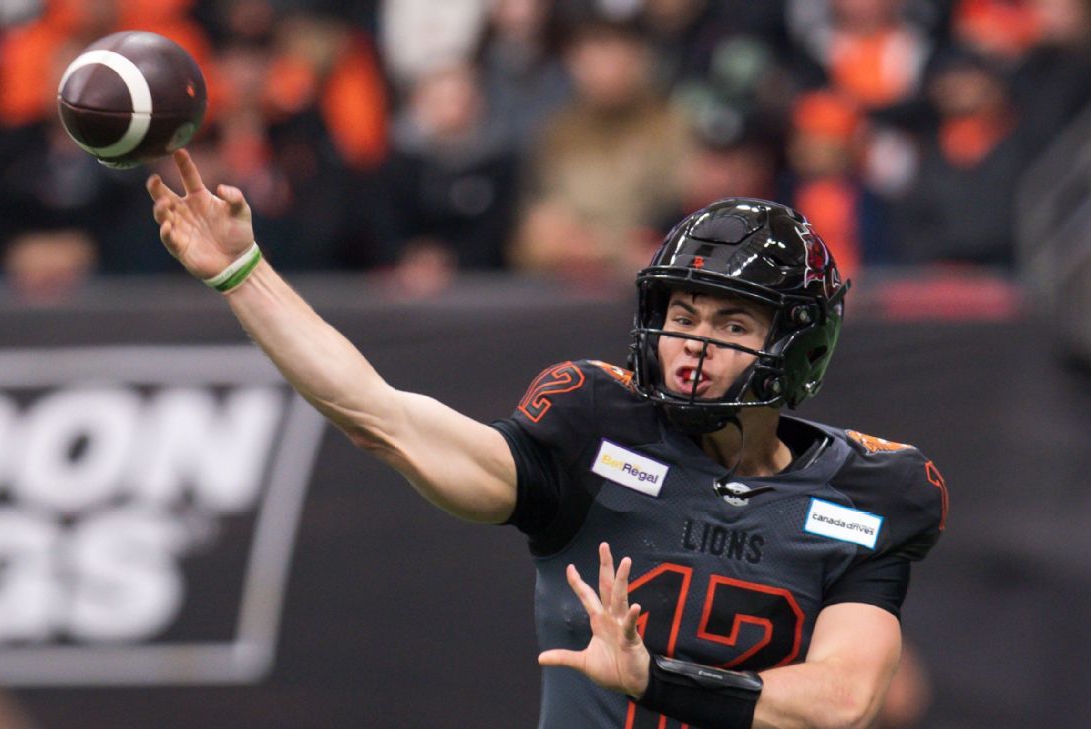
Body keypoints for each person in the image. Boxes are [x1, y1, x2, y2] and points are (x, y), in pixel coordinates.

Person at [147, 149, 948, 729]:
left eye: (732, 324)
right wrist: (242, 272)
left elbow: (842, 702)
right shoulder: (596, 428)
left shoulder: (869, 492)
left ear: (797, 345)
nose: (693, 345)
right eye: (681, 316)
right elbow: (379, 417)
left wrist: (654, 679)